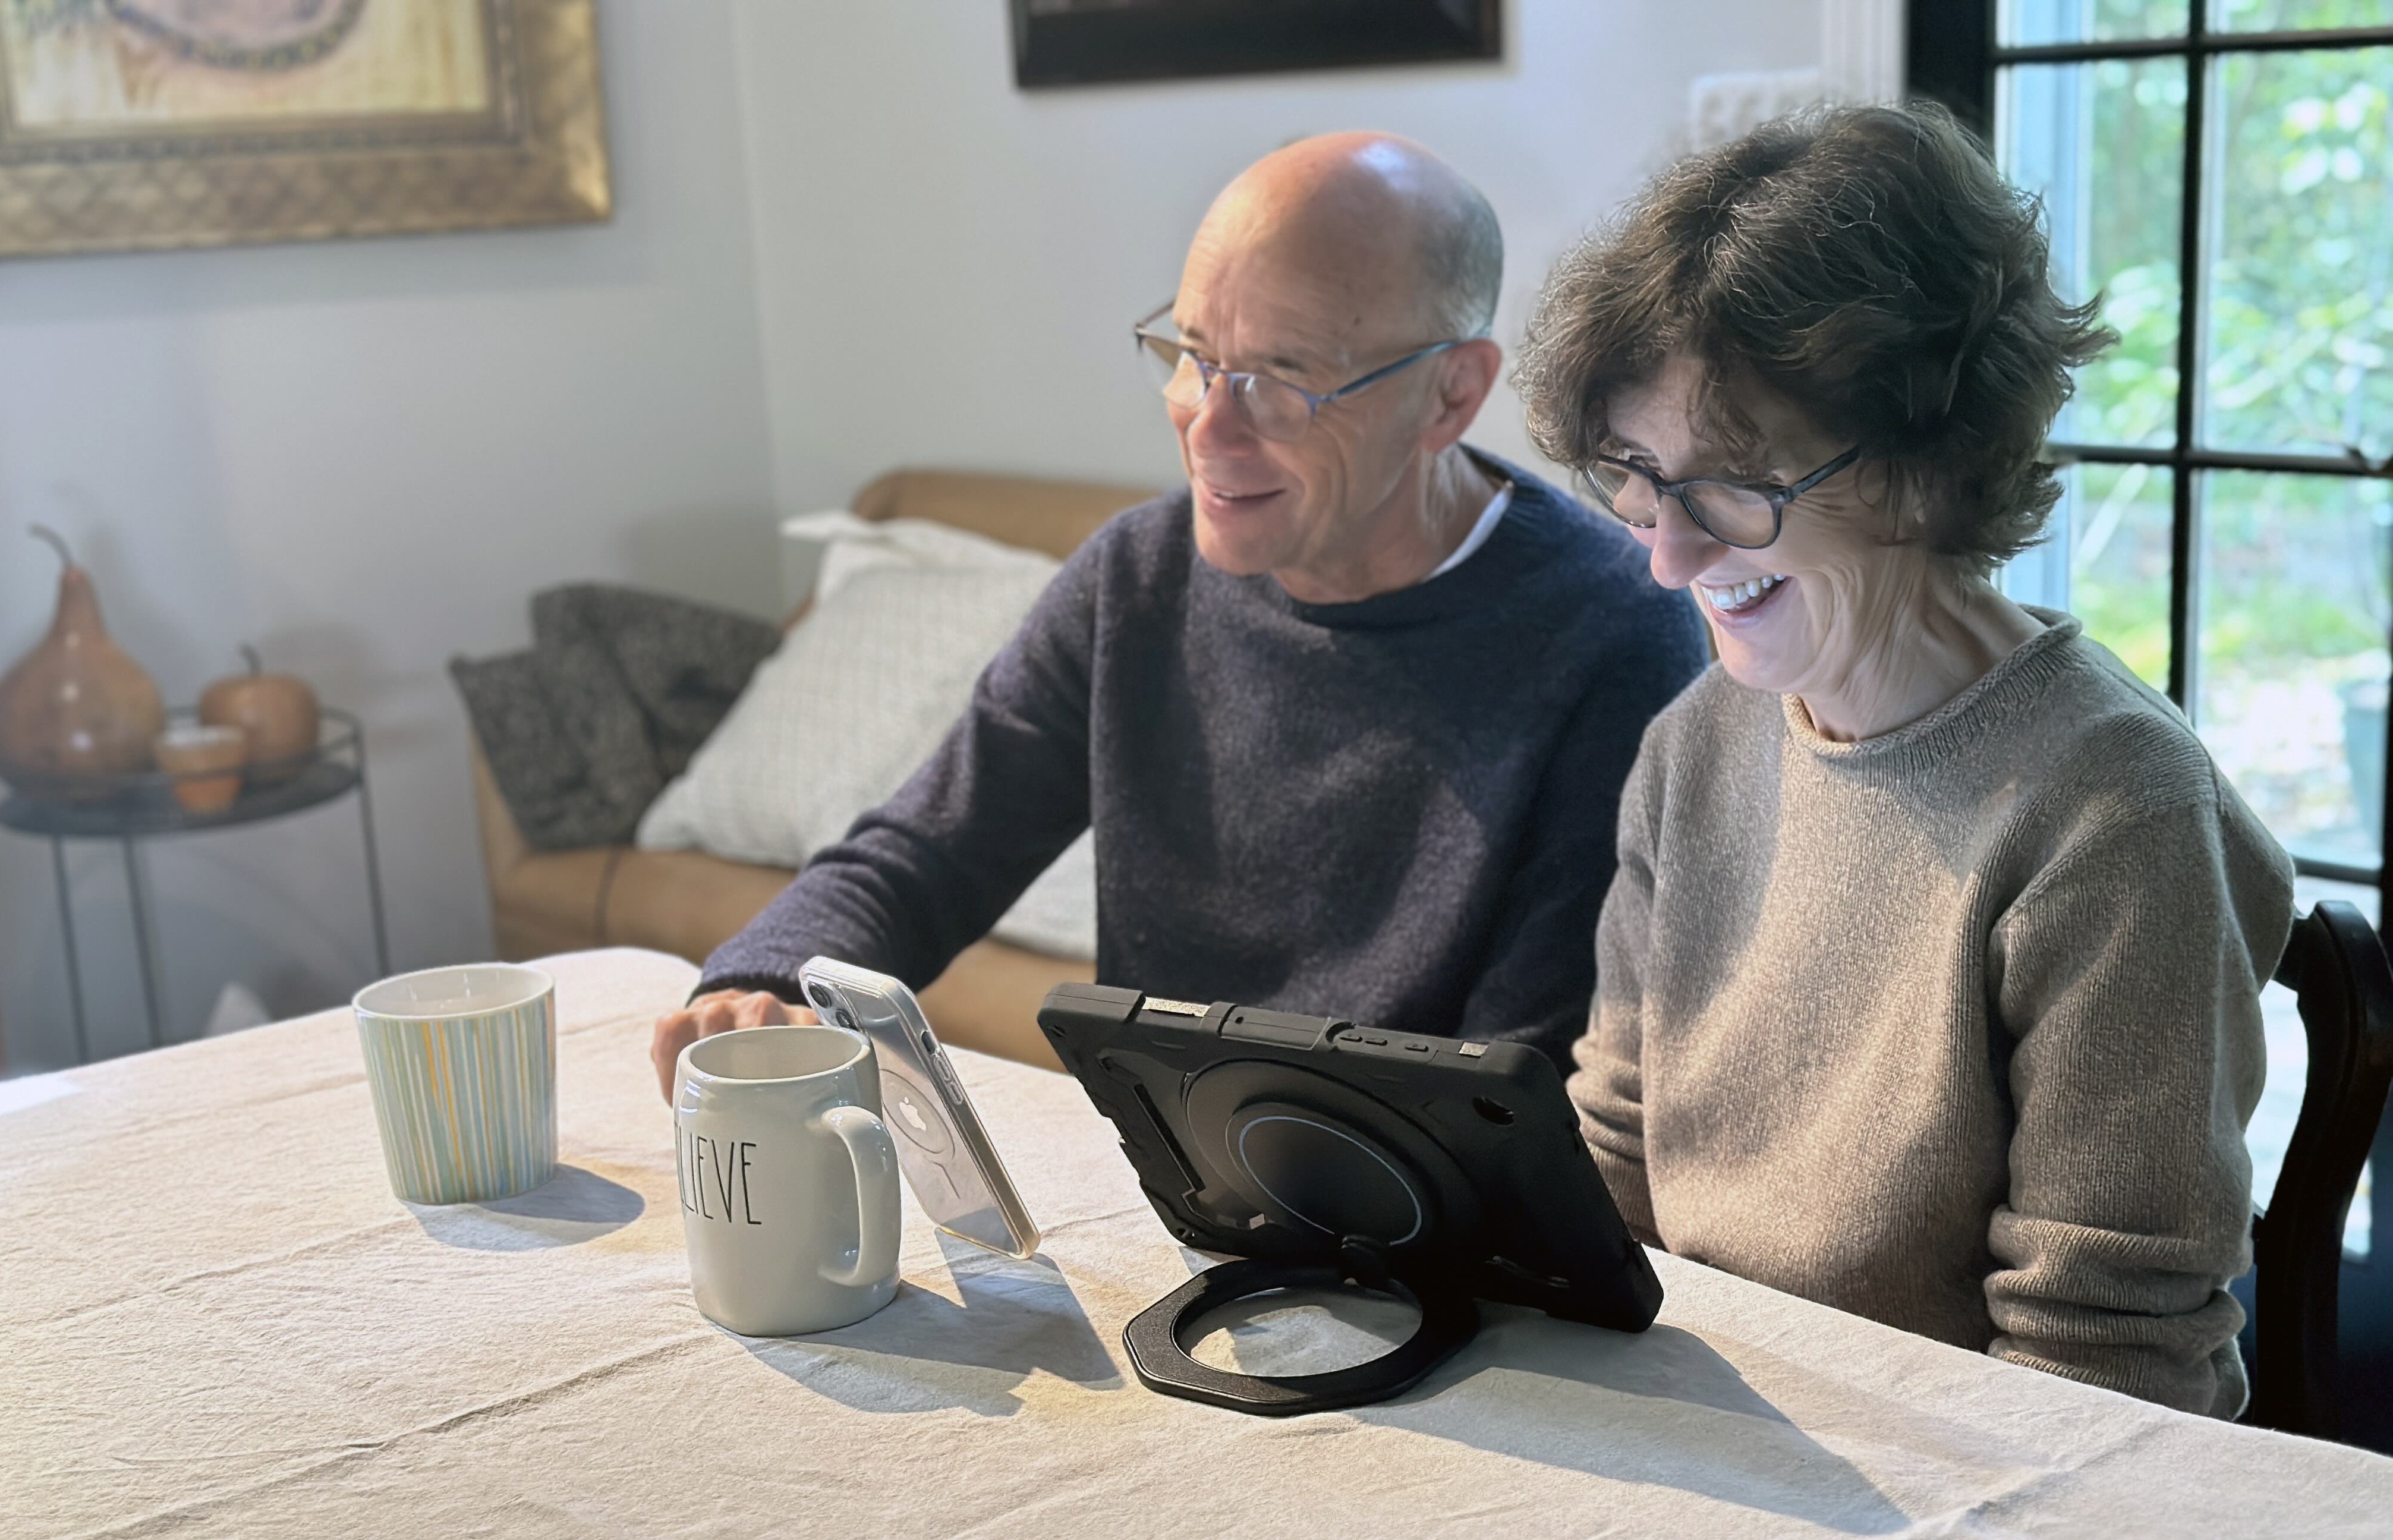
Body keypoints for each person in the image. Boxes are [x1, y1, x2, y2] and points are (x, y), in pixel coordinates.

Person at [1515, 103, 2294, 1419]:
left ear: (1928, 463)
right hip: (1723, 1420)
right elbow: (1618, 1157)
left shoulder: (2113, 814)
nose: (1669, 555)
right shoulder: (1696, 745)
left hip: (1963, 1472)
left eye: (1734, 487)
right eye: (1642, 478)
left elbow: (2105, 1367)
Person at [649, 133, 1706, 1098]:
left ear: (1449, 395)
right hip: (1171, 1179)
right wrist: (766, 985)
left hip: (1427, 1230)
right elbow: (928, 854)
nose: (1210, 424)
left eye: (1284, 378)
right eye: (1195, 354)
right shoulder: (1137, 579)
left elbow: (1521, 1084)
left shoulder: (1612, 635)